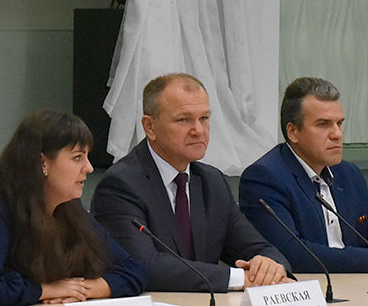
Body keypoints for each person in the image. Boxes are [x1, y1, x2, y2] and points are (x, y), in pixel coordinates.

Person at [93, 74, 289, 294]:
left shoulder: (212, 182)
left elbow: (258, 247)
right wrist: (238, 278)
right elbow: (145, 266)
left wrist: (269, 266)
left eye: (204, 118)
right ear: (150, 127)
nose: (198, 130)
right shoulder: (121, 185)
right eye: (183, 120)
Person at [0, 110, 147, 306]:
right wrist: (46, 290)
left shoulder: (71, 209)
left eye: (87, 157)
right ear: (43, 163)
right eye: (77, 157)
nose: (89, 167)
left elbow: (133, 269)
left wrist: (86, 289)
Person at [240, 77, 368, 273]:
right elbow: (291, 254)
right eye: (323, 124)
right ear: (293, 132)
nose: (337, 134)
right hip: (312, 287)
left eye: (339, 123)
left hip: (358, 284)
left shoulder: (349, 175)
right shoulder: (264, 178)